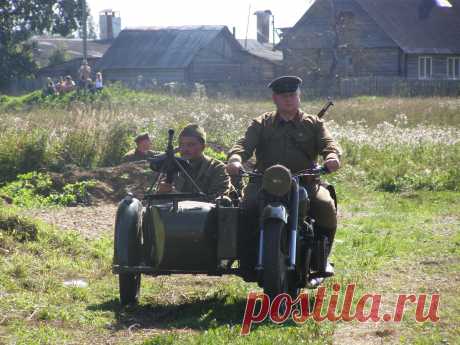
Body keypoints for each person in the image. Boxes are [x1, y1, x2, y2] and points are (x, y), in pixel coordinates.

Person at [226, 76, 342, 278]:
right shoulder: (262, 123)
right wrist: (235, 159)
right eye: (283, 96)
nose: (288, 99)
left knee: (326, 206)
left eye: (292, 95)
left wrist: (331, 157)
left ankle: (321, 260)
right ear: (275, 98)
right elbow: (243, 144)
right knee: (245, 209)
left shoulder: (313, 123)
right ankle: (246, 259)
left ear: (299, 97)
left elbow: (328, 143)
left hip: (304, 182)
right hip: (265, 182)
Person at [157, 124, 232, 202]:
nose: (185, 149)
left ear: (203, 147)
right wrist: (161, 193)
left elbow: (218, 202)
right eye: (181, 144)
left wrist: (177, 197)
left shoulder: (217, 168)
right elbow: (155, 203)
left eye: (191, 145)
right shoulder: (173, 167)